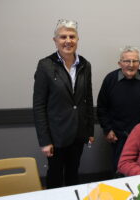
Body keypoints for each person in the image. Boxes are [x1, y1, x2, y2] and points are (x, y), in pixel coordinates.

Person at [33, 19, 94, 188]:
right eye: (63, 37)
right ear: (55, 41)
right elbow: (39, 106)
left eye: (72, 36)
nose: (68, 41)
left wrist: (89, 130)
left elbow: (87, 100)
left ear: (77, 39)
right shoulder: (45, 65)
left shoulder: (85, 65)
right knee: (55, 175)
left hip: (78, 133)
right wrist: (44, 140)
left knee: (73, 173)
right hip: (56, 135)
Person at [97, 46, 140, 174]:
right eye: (127, 61)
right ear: (120, 63)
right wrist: (107, 129)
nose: (131, 65)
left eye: (135, 61)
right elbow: (102, 107)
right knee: (120, 170)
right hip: (118, 137)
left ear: (139, 63)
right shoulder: (110, 79)